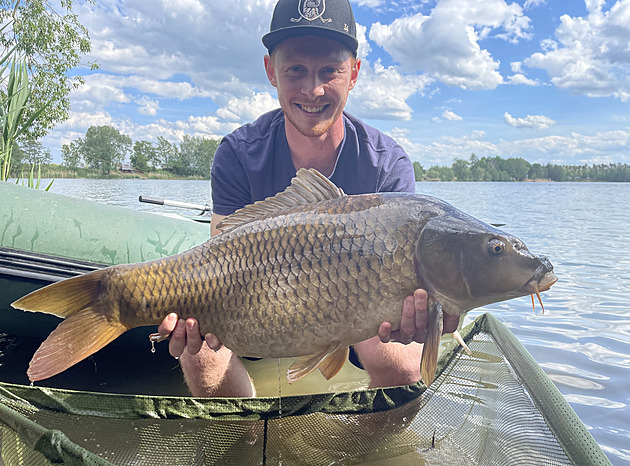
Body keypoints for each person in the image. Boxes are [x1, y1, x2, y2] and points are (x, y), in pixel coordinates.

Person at [157, 0, 458, 397]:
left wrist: (431, 313)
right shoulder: (237, 153)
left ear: (353, 73)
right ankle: (244, 447)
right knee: (199, 356)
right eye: (295, 70)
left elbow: (414, 294)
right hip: (255, 307)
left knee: (402, 364)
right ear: (271, 72)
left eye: (329, 71)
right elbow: (219, 253)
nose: (312, 90)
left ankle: (355, 456)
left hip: (360, 306)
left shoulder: (387, 164)